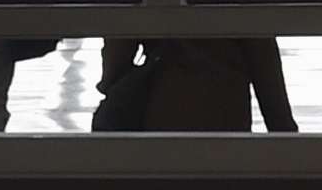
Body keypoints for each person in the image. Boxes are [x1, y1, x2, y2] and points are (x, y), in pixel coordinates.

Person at [100, 38, 298, 132]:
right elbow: (264, 62)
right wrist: (283, 130)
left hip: (161, 119)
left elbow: (119, 47)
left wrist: (112, 83)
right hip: (227, 121)